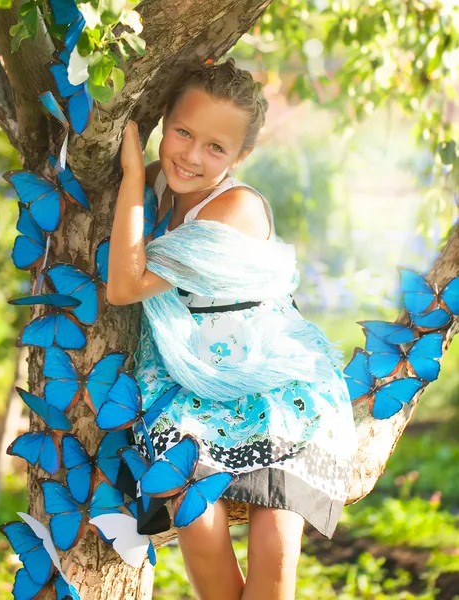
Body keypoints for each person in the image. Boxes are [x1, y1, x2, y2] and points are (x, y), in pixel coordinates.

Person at [108, 58, 358, 600]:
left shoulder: (234, 209)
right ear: (163, 123)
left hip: (274, 387)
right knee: (196, 518)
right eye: (182, 132)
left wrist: (132, 174)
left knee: (274, 542)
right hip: (195, 391)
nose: (192, 156)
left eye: (216, 148)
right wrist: (141, 178)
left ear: (241, 157)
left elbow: (125, 286)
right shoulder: (164, 187)